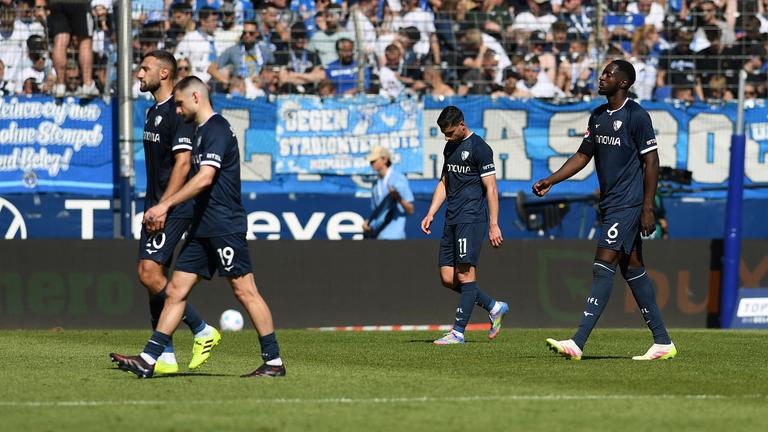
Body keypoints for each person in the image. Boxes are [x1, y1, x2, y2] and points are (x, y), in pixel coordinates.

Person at [110, 76, 286, 378]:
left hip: (224, 225)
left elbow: (205, 178)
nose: (177, 111)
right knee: (175, 289)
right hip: (203, 227)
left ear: (195, 97)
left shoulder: (217, 129)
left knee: (245, 291)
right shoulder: (201, 132)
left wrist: (165, 205)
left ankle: (273, 360)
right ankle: (149, 358)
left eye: (179, 104)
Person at [533, 59, 676, 361]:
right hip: (611, 203)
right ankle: (662, 342)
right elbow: (583, 155)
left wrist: (647, 208)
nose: (602, 77)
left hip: (629, 203)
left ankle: (578, 341)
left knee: (603, 264)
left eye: (608, 74)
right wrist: (552, 180)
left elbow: (652, 163)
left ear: (623, 83)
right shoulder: (598, 116)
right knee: (633, 268)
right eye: (603, 73)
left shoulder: (636, 116)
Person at [131, 50, 219, 375]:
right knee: (150, 276)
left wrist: (164, 206)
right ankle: (166, 356)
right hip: (155, 203)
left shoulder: (175, 112)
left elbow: (183, 163)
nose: (139, 74)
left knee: (150, 274)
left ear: (164, 74)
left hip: (174, 206)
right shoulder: (152, 111)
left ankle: (202, 330)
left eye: (144, 68)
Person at [420, 106, 509, 345]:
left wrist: (494, 224)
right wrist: (431, 212)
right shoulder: (449, 146)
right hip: (451, 217)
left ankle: (458, 332)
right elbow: (445, 181)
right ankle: (493, 306)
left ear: (462, 124)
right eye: (444, 134)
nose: (446, 138)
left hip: (471, 218)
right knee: (448, 278)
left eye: (449, 132)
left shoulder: (480, 148)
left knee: (465, 273)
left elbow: (491, 188)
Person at [362, 146, 414, 240]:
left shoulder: (399, 179)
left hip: (394, 237)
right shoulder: (375, 184)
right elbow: (377, 211)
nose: (371, 163)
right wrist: (369, 225)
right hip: (378, 236)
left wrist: (398, 197)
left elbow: (410, 209)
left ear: (385, 159)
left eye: (374, 161)